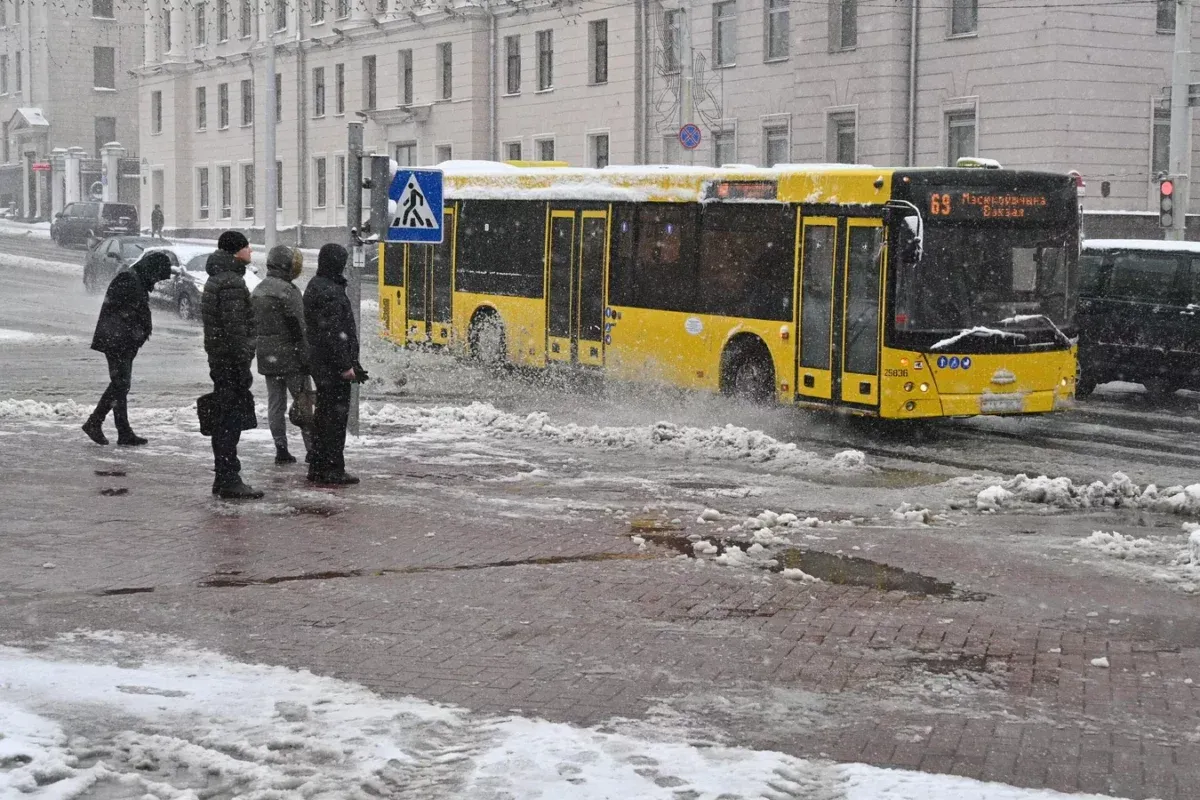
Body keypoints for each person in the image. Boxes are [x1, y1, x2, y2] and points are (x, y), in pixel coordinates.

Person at [82, 252, 172, 446]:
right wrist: (135, 333)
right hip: (117, 341)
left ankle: (121, 431)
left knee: (120, 384)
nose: (156, 282)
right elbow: (123, 312)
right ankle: (96, 422)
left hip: (122, 341)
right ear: (152, 269)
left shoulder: (135, 278)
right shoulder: (128, 279)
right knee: (120, 384)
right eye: (157, 276)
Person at [201, 230, 263, 500]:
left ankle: (224, 475)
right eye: (247, 247)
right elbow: (235, 329)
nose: (250, 250)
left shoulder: (219, 277)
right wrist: (245, 356)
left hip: (220, 359)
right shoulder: (231, 284)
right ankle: (229, 478)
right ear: (236, 251)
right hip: (230, 362)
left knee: (224, 417)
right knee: (229, 420)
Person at [303, 243, 366, 485]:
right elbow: (333, 332)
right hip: (332, 366)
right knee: (334, 419)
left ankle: (319, 466)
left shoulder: (317, 285)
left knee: (324, 416)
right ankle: (331, 468)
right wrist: (345, 365)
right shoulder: (329, 290)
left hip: (322, 363)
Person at [251, 245, 315, 465]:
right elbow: (300, 326)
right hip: (292, 357)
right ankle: (311, 449)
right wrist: (307, 359)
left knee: (275, 404)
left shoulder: (258, 290)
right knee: (303, 401)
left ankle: (281, 449)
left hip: (267, 356)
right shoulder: (289, 291)